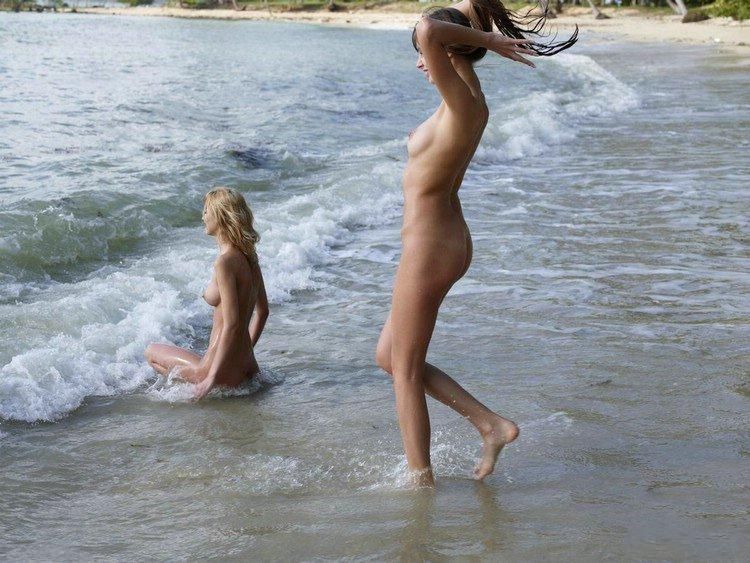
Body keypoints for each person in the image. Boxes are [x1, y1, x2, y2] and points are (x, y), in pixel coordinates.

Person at [375, 0, 577, 486]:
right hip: (441, 239)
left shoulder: (464, 102)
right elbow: (445, 23)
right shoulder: (466, 94)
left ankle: (419, 485)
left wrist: (484, 39)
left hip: (432, 243)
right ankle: (491, 425)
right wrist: (478, 24)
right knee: (390, 356)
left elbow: (428, 27)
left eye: (423, 55)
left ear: (449, 49)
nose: (420, 62)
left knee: (403, 369)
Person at [145, 187, 269, 399]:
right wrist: (243, 354)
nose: (202, 217)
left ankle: (201, 382)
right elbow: (263, 311)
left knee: (151, 352)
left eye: (206, 211)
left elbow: (231, 324)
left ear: (220, 216)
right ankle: (208, 377)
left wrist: (211, 377)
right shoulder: (250, 258)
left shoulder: (224, 262)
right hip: (247, 367)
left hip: (216, 370)